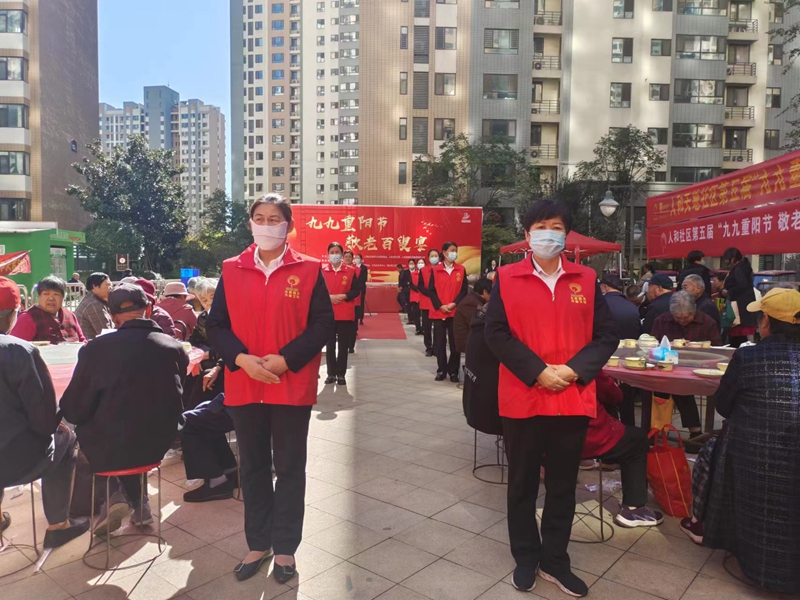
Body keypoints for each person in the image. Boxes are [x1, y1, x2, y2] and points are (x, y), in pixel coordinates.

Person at [485, 200, 618, 596]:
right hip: (524, 396)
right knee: (522, 484)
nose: (549, 233)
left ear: (566, 233)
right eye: (541, 226)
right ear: (527, 235)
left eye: (556, 227)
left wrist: (573, 370)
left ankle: (555, 561)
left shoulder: (586, 278)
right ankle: (526, 557)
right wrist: (538, 371)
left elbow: (606, 335)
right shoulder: (507, 277)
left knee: (562, 485)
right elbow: (496, 333)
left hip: (571, 397)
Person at [206, 193, 334, 584]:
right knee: (254, 467)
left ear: (288, 226)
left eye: (274, 218)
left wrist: (286, 359)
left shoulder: (308, 269)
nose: (266, 224)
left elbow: (323, 325)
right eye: (259, 218)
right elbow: (216, 325)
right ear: (250, 224)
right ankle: (258, 543)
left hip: (289, 385)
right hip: (245, 384)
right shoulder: (232, 269)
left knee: (290, 468)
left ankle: (285, 548)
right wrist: (241, 359)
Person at [682, 287, 800, 594]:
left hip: (754, 457)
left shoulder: (749, 356)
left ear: (766, 322)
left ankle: (701, 523)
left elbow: (723, 405)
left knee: (713, 449)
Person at [60, 284, 188, 535]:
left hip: (116, 443)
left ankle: (115, 493)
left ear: (113, 316)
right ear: (148, 309)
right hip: (162, 439)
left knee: (89, 428)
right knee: (129, 425)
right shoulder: (174, 347)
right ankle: (137, 503)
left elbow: (74, 408)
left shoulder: (96, 349)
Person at [0, 277, 90, 549]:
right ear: (14, 314)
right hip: (14, 460)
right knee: (66, 437)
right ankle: (58, 525)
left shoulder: (68, 317)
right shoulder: (19, 351)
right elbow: (43, 420)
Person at [586, 373, 663, 528]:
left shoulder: (535, 361)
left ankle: (606, 460)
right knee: (637, 440)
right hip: (585, 436)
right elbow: (612, 394)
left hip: (544, 438)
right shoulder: (583, 361)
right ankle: (634, 509)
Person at [650, 291, 722, 439]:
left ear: (694, 310)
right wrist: (666, 346)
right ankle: (663, 429)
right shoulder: (662, 321)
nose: (682, 321)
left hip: (697, 370)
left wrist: (699, 348)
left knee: (680, 386)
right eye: (678, 318)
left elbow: (718, 350)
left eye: (686, 317)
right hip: (665, 369)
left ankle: (667, 430)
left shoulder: (707, 322)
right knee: (661, 385)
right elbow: (651, 348)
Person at [427, 242, 468, 383]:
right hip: (439, 312)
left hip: (455, 312)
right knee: (440, 343)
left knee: (455, 343)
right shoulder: (435, 270)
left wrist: (453, 304)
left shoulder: (461, 269)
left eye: (456, 250)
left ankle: (453, 371)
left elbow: (464, 290)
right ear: (444, 253)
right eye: (452, 250)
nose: (454, 253)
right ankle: (441, 370)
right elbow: (431, 291)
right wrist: (440, 306)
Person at [183, 277, 225, 410]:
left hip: (225, 362)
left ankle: (191, 415)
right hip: (206, 360)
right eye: (204, 300)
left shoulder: (229, 316)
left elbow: (230, 345)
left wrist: (208, 355)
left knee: (204, 377)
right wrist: (194, 355)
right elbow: (193, 340)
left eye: (212, 297)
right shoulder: (202, 317)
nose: (209, 303)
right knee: (187, 375)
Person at [322, 242, 360, 386]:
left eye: (337, 252)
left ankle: (341, 374)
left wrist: (344, 296)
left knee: (343, 346)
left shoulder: (350, 271)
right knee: (330, 345)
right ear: (328, 254)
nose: (334, 255)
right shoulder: (322, 271)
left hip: (344, 313)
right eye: (332, 252)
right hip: (328, 314)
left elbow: (356, 290)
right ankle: (331, 374)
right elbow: (316, 291)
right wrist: (329, 298)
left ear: (342, 254)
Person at [11, 276, 86, 344]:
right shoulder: (26, 318)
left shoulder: (70, 315)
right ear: (39, 297)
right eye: (46, 294)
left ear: (63, 298)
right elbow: (16, 349)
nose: (51, 298)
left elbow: (82, 342)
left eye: (56, 294)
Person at [722, 247, 757, 347]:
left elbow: (742, 285)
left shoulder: (739, 269)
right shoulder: (743, 267)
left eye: (727, 259)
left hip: (739, 306)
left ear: (733, 258)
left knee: (738, 337)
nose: (726, 262)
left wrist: (728, 291)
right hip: (743, 305)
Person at [454, 278, 492, 356]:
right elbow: (478, 323)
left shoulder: (474, 299)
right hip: (468, 340)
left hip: (473, 338)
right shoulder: (471, 303)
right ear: (485, 292)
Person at [600, 274, 641, 341]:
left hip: (604, 345)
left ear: (606, 287)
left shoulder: (599, 304)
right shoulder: (633, 307)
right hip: (629, 345)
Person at [74, 272, 114, 340]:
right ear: (95, 287)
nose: (111, 288)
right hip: (91, 345)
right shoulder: (93, 305)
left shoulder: (94, 300)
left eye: (111, 285)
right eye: (108, 285)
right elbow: (107, 335)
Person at [417, 251, 440, 357]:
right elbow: (420, 286)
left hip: (438, 303)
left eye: (436, 256)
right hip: (426, 302)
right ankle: (428, 347)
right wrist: (430, 294)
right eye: (432, 256)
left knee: (438, 328)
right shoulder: (423, 270)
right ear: (428, 258)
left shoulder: (441, 270)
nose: (434, 258)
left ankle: (436, 348)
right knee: (427, 327)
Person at [343, 250, 365, 352]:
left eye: (349, 257)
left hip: (354, 300)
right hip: (342, 300)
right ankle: (344, 343)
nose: (347, 259)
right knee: (344, 324)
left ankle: (351, 346)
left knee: (353, 323)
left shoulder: (357, 270)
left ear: (352, 259)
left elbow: (359, 285)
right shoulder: (340, 269)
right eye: (346, 257)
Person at [406, 258, 423, 335]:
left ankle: (424, 328)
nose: (421, 264)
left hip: (424, 296)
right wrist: (418, 289)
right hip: (415, 295)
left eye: (422, 263)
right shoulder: (412, 274)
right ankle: (418, 328)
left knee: (424, 314)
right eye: (419, 263)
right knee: (416, 313)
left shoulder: (427, 273)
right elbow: (411, 284)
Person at [354, 253, 368, 326]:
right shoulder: (353, 267)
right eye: (356, 257)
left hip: (361, 288)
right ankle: (354, 317)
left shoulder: (364, 268)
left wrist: (358, 284)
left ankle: (361, 318)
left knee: (361, 303)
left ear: (361, 259)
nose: (357, 259)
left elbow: (365, 278)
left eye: (358, 258)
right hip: (354, 288)